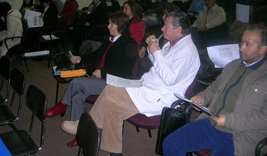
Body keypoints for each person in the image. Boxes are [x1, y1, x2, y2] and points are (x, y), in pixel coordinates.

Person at [60, 11, 200, 156]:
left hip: (160, 97)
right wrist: (153, 50)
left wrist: (155, 50)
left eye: (166, 26)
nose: (162, 28)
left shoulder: (187, 50)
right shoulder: (172, 44)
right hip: (147, 87)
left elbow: (169, 79)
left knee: (111, 90)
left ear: (178, 30)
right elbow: (157, 64)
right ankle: (115, 153)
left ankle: (83, 127)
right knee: (113, 109)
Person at [163, 25, 267, 156]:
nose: (241, 48)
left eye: (247, 44)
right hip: (212, 121)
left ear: (262, 49)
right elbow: (215, 87)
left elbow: (264, 118)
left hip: (239, 135)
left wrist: (229, 121)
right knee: (170, 143)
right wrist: (202, 98)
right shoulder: (234, 65)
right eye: (241, 42)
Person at [46, 11, 138, 147]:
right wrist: (80, 58)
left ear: (121, 26)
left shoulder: (129, 44)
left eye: (112, 24)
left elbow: (125, 71)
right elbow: (96, 56)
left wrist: (104, 73)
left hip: (113, 84)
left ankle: (62, 105)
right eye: (109, 23)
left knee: (76, 82)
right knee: (77, 97)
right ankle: (80, 134)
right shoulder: (109, 39)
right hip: (99, 78)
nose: (108, 26)